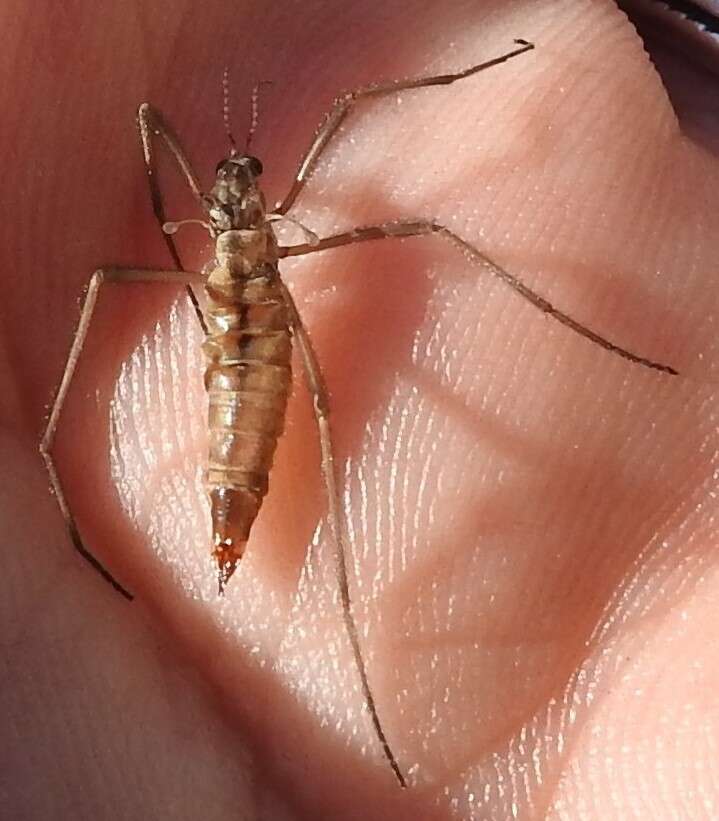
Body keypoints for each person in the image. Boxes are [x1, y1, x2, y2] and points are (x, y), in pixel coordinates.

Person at [4, 0, 717, 817]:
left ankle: (326, 600)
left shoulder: (217, 214)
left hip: (251, 321)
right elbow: (149, 125)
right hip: (250, 324)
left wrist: (184, 250)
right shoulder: (245, 211)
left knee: (347, 350)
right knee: (323, 382)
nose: (242, 183)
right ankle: (100, 489)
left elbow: (169, 141)